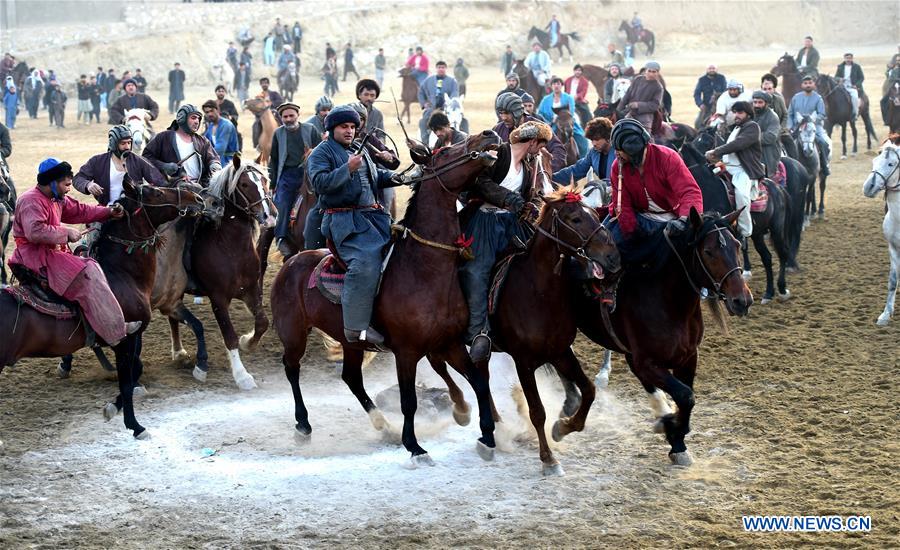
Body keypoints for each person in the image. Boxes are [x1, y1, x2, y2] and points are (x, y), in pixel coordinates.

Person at [10, 158, 141, 346]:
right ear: (53, 182)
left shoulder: (56, 198)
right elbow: (35, 232)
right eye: (66, 184)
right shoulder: (31, 200)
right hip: (34, 257)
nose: (68, 188)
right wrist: (66, 232)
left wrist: (108, 212)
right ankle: (112, 331)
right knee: (87, 271)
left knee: (92, 264)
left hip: (50, 253)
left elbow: (80, 210)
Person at [307, 105, 400, 347]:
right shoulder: (321, 153)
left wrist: (401, 177)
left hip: (374, 219)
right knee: (366, 262)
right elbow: (319, 183)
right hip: (344, 223)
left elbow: (376, 177)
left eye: (352, 127)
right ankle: (356, 327)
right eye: (343, 127)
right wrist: (346, 168)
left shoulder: (360, 151)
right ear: (332, 129)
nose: (349, 131)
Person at [459, 121, 551, 361]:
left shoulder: (530, 164)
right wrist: (511, 199)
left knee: (533, 262)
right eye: (540, 145)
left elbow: (529, 195)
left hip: (511, 224)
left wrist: (533, 205)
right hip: (485, 222)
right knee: (477, 271)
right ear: (532, 142)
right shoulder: (499, 153)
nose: (541, 151)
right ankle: (478, 332)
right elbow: (480, 182)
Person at [604, 119, 703, 255]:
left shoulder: (667, 157)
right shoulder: (618, 166)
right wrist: (631, 233)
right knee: (608, 246)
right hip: (639, 218)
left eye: (620, 150)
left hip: (672, 221)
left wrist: (684, 220)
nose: (617, 154)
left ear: (633, 152)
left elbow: (689, 191)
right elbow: (622, 205)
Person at [705, 102, 765, 243]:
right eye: (735, 112)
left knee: (741, 195)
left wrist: (716, 151)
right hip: (728, 167)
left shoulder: (752, 127)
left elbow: (739, 144)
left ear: (748, 114)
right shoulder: (736, 128)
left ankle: (744, 232)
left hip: (744, 169)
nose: (736, 115)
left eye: (740, 112)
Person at [269, 102, 321, 257]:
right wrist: (273, 183)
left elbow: (321, 150)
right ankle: (281, 237)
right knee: (283, 203)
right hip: (288, 175)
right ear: (281, 118)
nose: (289, 119)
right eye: (285, 117)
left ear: (298, 115)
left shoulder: (310, 129)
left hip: (309, 172)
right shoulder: (278, 134)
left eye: (291, 115)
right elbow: (275, 159)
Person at [74, 125, 166, 207]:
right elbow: (78, 178)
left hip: (134, 212)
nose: (127, 147)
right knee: (96, 226)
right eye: (123, 143)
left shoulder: (139, 161)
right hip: (106, 210)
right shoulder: (97, 161)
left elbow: (160, 181)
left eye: (129, 143)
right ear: (113, 144)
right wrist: (88, 184)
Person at [143, 104, 221, 186]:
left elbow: (213, 158)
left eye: (199, 119)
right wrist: (164, 166)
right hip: (173, 189)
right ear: (182, 119)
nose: (197, 121)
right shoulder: (163, 137)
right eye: (193, 118)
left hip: (201, 187)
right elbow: (146, 157)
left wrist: (215, 165)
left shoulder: (202, 141)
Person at [493, 92, 567, 171]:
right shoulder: (497, 130)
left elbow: (559, 150)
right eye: (501, 113)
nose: (503, 118)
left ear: (517, 112)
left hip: (535, 177)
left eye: (507, 113)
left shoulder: (539, 127)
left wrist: (546, 171)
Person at [787, 75, 831, 175]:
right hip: (797, 127)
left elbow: (822, 114)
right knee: (786, 144)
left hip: (814, 127)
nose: (808, 85)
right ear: (802, 85)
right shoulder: (796, 98)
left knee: (824, 143)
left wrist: (813, 120)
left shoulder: (818, 98)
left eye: (810, 83)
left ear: (814, 84)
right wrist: (790, 127)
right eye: (805, 83)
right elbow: (790, 113)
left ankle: (824, 166)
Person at [552, 117, 615, 184]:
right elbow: (577, 169)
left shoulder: (619, 153)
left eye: (597, 139)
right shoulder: (593, 152)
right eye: (592, 140)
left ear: (607, 137)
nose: (594, 144)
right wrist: (551, 177)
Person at [538, 76, 588, 157]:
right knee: (546, 139)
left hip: (567, 122)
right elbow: (540, 113)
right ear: (551, 86)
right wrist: (550, 121)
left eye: (558, 84)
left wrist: (560, 117)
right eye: (554, 84)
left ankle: (582, 159)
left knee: (582, 138)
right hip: (551, 124)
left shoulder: (569, 98)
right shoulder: (545, 99)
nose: (556, 86)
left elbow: (571, 111)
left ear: (562, 85)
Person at [418, 60, 459, 142]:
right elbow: (421, 92)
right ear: (436, 68)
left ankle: (462, 142)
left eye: (443, 67)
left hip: (446, 109)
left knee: (462, 120)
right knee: (423, 122)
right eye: (439, 67)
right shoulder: (429, 80)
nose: (441, 69)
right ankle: (425, 143)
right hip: (432, 109)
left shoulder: (452, 81)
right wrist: (424, 103)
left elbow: (455, 93)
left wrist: (449, 103)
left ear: (446, 68)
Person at [620, 61, 663, 131]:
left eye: (654, 72)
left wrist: (638, 105)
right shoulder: (638, 79)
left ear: (657, 73)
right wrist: (618, 109)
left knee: (645, 137)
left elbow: (655, 105)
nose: (651, 74)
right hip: (629, 112)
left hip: (645, 117)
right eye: (649, 71)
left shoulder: (658, 87)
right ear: (645, 71)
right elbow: (627, 95)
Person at [751, 91, 782, 180]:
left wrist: (750, 138)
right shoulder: (750, 114)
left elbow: (770, 137)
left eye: (760, 102)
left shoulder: (773, 117)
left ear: (766, 103)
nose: (756, 105)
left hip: (767, 152)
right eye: (755, 102)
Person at [202, 101, 239, 165]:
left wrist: (203, 154)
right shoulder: (211, 126)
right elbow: (204, 142)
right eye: (207, 112)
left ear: (218, 110)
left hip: (229, 163)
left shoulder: (226, 125)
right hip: (216, 161)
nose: (209, 114)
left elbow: (220, 149)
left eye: (211, 111)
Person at [835, 52, 864, 119]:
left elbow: (861, 78)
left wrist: (856, 85)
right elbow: (836, 77)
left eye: (850, 58)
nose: (848, 59)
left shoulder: (857, 67)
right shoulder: (840, 66)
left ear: (852, 59)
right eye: (847, 58)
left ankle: (855, 113)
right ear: (844, 59)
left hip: (852, 87)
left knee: (854, 97)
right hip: (842, 86)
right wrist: (840, 79)